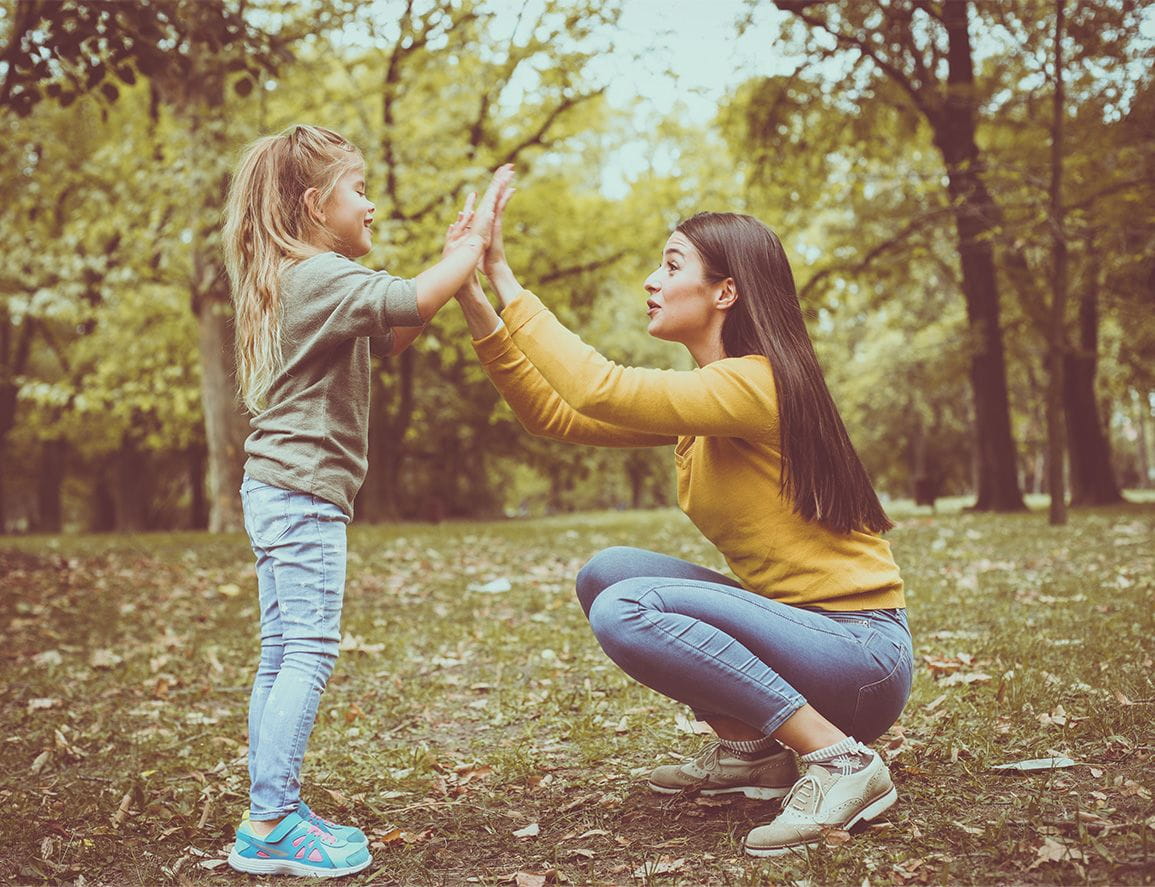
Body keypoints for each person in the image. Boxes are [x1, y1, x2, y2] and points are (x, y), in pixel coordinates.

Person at [451, 197, 913, 858]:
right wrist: (473, 298)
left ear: (725, 290)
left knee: (626, 605)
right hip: (805, 641)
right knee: (607, 572)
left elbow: (594, 387)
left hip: (859, 659)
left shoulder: (755, 385)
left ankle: (841, 760)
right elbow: (553, 414)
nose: (651, 280)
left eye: (671, 265)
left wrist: (504, 275)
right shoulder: (710, 395)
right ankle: (750, 751)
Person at [221, 123, 511, 877]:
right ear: (316, 204)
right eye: (359, 190)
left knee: (282, 649)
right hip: (302, 490)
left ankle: (267, 806)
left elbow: (396, 328)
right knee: (308, 651)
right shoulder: (317, 275)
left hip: (277, 486)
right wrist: (468, 248)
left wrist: (451, 271)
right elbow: (412, 294)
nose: (372, 205)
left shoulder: (305, 278)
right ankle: (272, 818)